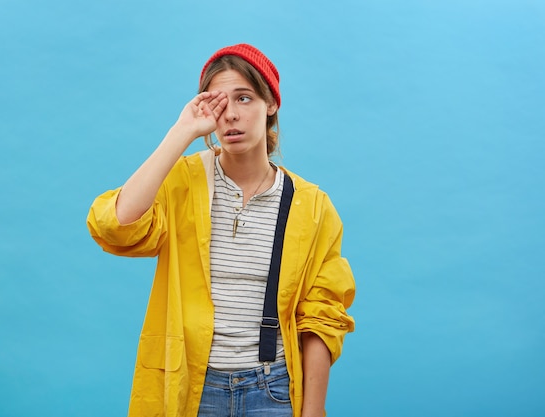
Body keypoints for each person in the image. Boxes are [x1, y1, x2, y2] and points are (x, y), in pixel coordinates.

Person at [86, 43, 356, 417]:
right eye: (219, 103)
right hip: (192, 387)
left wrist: (313, 411)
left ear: (271, 104)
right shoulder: (183, 182)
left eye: (244, 98)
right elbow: (115, 226)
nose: (231, 115)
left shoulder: (310, 205)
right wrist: (181, 133)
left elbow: (322, 315)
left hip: (274, 389)